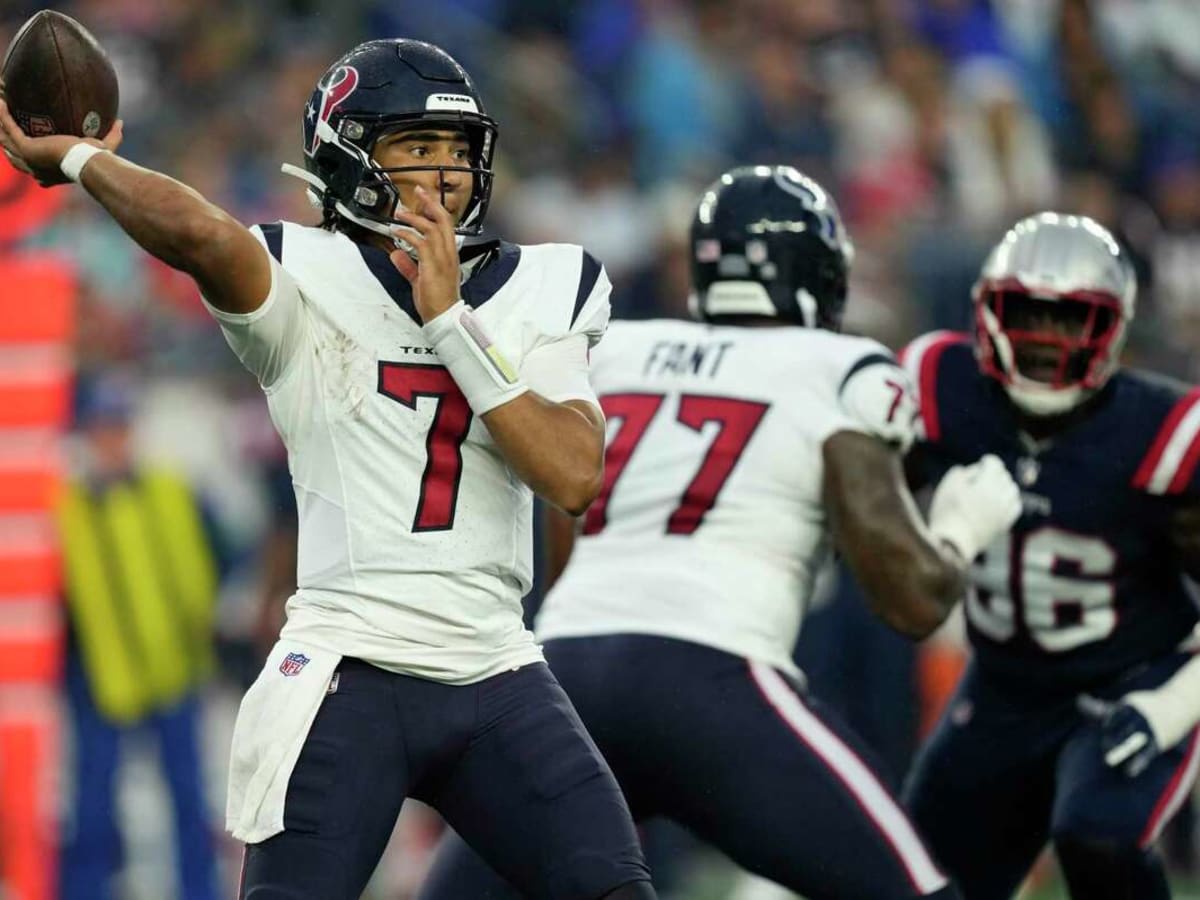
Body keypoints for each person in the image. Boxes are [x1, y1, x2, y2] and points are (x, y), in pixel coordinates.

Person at [0, 39, 655, 900]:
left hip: (497, 668)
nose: (445, 174)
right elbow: (199, 232)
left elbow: (571, 474)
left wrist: (453, 322)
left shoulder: (548, 283)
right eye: (414, 149)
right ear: (348, 159)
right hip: (349, 672)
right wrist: (85, 161)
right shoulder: (301, 276)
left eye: (456, 151)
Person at [419, 165, 1023, 900]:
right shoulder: (839, 366)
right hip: (714, 686)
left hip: (568, 672)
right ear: (823, 274)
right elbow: (913, 601)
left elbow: (565, 532)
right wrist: (959, 530)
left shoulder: (615, 353)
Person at [901, 212, 1200, 900]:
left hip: (1124, 685)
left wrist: (1174, 704)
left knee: (1097, 834)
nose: (1043, 339)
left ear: (1114, 326)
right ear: (986, 313)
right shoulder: (942, 390)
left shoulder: (1163, 432)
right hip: (1002, 685)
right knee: (923, 881)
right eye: (1027, 313)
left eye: (1069, 320)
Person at [58, 373, 220, 900]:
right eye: (103, 428)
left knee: (188, 799)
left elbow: (214, 557)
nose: (113, 440)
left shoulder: (168, 490)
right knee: (92, 806)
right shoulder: (65, 507)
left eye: (119, 427)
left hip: (172, 667)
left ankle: (200, 892)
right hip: (99, 676)